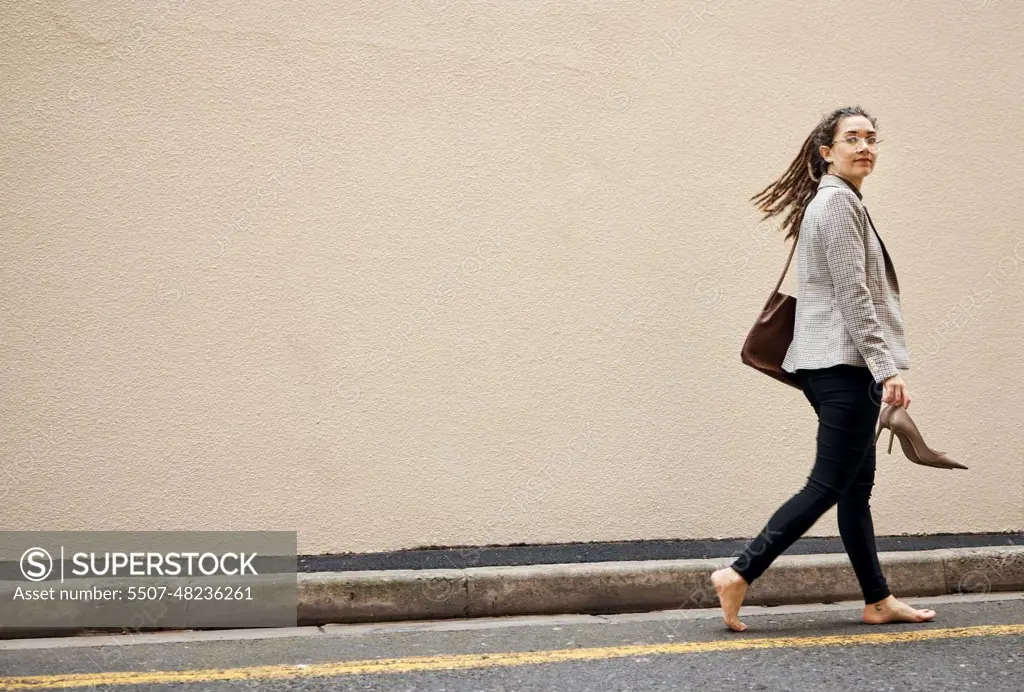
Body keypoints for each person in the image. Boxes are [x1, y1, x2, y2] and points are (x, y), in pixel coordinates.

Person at [709, 106, 936, 632]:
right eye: (850, 138)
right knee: (828, 484)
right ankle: (740, 572)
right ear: (826, 152)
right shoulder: (836, 205)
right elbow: (853, 296)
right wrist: (887, 368)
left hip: (837, 365)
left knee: (853, 488)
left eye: (871, 138)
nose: (864, 146)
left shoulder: (842, 202)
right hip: (842, 365)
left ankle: (877, 600)